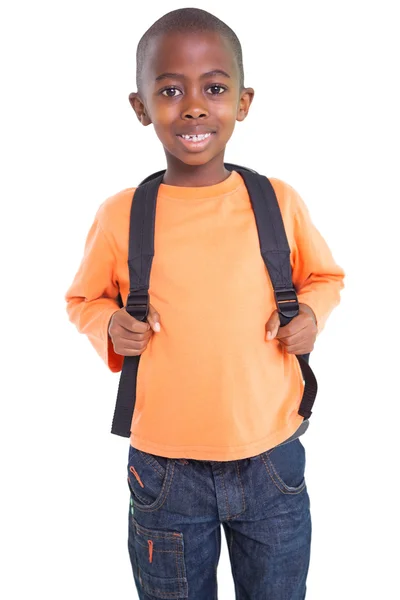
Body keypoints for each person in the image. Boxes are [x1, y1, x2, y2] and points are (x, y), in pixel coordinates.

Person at [65, 7, 345, 599]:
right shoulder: (122, 216)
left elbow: (325, 277)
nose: (194, 106)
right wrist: (111, 325)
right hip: (165, 471)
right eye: (170, 90)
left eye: (214, 89)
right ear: (141, 108)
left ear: (242, 102)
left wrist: (312, 317)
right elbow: (83, 300)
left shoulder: (277, 201)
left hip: (272, 459)